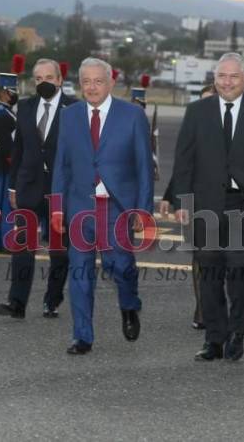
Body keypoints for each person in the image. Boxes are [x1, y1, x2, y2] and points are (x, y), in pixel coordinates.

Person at [172, 53, 244, 361]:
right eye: (222, 76)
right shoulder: (197, 112)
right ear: (215, 78)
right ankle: (214, 338)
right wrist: (182, 200)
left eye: (234, 77)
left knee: (238, 271)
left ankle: (238, 332)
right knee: (208, 274)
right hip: (205, 204)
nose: (227, 82)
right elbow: (184, 160)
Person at [52, 57, 154, 355]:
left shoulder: (132, 115)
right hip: (79, 208)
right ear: (80, 84)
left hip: (117, 208)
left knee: (121, 267)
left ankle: (129, 305)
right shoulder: (69, 116)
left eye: (98, 81)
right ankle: (82, 336)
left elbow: (144, 166)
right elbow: (61, 165)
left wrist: (143, 210)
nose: (92, 87)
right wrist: (57, 207)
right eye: (86, 82)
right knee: (80, 272)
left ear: (111, 83)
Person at [0, 59, 75, 319]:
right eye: (38, 79)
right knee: (22, 247)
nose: (44, 82)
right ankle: (17, 303)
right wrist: (11, 186)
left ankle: (52, 299)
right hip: (29, 185)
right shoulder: (26, 107)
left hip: (60, 191)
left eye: (49, 77)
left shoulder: (74, 109)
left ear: (60, 79)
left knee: (59, 252)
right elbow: (18, 149)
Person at [159, 82, 215, 332]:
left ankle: (216, 303)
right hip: (195, 201)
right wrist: (170, 197)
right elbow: (183, 165)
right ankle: (203, 308)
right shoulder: (194, 127)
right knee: (201, 256)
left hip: (228, 202)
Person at [0, 73, 19, 253]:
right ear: (3, 93)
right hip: (5, 163)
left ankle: (5, 239)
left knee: (8, 204)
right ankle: (1, 242)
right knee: (3, 204)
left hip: (8, 163)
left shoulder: (8, 112)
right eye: (12, 91)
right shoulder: (1, 114)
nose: (14, 95)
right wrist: (15, 162)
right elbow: (7, 144)